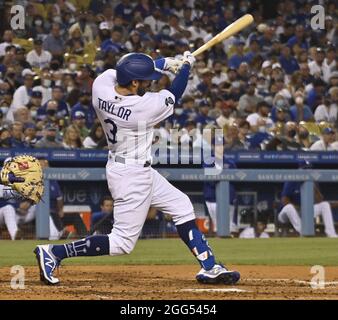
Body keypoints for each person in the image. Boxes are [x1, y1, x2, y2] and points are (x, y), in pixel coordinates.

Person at [34, 52, 240, 286]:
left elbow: (122, 69)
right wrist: (184, 68)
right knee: (121, 242)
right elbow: (175, 93)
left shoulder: (101, 86)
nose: (149, 83)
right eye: (145, 81)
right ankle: (55, 253)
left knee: (182, 206)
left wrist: (163, 64)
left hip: (131, 167)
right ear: (133, 83)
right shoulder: (141, 108)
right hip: (131, 175)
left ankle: (210, 266)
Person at [278, 161, 337, 238]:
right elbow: (284, 200)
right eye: (305, 169)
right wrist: (299, 209)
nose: (307, 171)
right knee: (289, 208)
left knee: (324, 205)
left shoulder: (313, 180)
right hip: (286, 214)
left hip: (304, 212)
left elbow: (320, 200)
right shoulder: (292, 179)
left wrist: (314, 187)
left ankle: (331, 234)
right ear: (299, 170)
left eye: (309, 169)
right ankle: (303, 233)